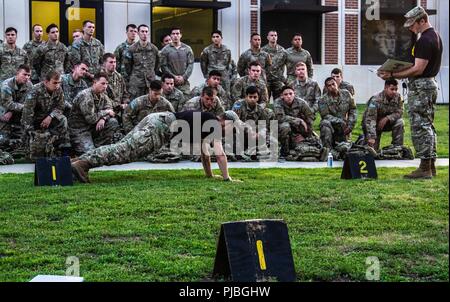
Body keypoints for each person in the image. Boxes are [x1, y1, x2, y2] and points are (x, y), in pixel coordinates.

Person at [71, 111, 239, 183]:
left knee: (121, 147)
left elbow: (205, 154)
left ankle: (78, 161)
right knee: (125, 152)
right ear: (226, 120)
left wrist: (210, 175)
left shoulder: (208, 122)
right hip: (161, 127)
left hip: (158, 118)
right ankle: (83, 164)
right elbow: (220, 155)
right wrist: (227, 178)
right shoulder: (215, 124)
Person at [378, 6, 443, 179]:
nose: (410, 28)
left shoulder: (425, 40)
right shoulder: (434, 36)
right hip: (428, 85)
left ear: (422, 20)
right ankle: (430, 166)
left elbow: (418, 69)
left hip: (422, 87)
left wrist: (393, 74)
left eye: (413, 24)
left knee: (420, 126)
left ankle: (425, 168)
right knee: (427, 125)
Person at [21, 71, 71, 159]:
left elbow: (61, 106)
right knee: (35, 147)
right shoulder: (35, 90)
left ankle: (63, 150)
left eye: (59, 83)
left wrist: (50, 116)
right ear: (46, 82)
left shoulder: (58, 90)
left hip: (48, 118)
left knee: (63, 119)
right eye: (54, 83)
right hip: (35, 120)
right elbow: (27, 113)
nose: (57, 85)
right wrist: (30, 131)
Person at [68, 72, 119, 155]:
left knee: (113, 122)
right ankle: (84, 149)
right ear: (94, 82)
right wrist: (105, 112)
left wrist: (103, 118)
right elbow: (91, 119)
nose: (105, 86)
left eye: (106, 84)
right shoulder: (86, 96)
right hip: (79, 130)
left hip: (92, 128)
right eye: (102, 83)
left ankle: (98, 146)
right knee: (90, 155)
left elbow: (111, 110)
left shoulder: (102, 94)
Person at [362, 78, 404, 151]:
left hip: (387, 123)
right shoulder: (375, 99)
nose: (394, 92)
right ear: (385, 88)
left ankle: (397, 148)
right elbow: (370, 119)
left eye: (396, 89)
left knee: (400, 122)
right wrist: (371, 136)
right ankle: (362, 141)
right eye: (392, 89)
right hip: (373, 124)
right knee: (372, 151)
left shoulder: (398, 97)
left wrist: (387, 118)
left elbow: (400, 112)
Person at [273, 86, 314, 156]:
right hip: (281, 130)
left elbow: (310, 117)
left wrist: (307, 134)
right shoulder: (278, 102)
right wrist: (298, 120)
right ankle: (284, 150)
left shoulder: (301, 103)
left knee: (311, 142)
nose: (288, 96)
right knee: (285, 126)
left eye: (290, 94)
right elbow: (280, 117)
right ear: (282, 96)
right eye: (285, 94)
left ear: (294, 94)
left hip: (297, 129)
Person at [0, 65, 33, 151]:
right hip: (4, 113)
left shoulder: (29, 85)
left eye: (29, 75)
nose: (27, 77)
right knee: (3, 142)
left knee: (20, 142)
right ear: (17, 73)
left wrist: (13, 111)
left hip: (17, 114)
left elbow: (30, 102)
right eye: (24, 74)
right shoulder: (6, 85)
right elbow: (8, 104)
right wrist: (25, 107)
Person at [318, 77, 356, 150]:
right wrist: (340, 121)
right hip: (331, 127)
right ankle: (327, 150)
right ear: (326, 88)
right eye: (329, 86)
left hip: (344, 128)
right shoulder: (322, 100)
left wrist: (350, 125)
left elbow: (353, 110)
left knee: (344, 150)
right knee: (324, 123)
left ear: (337, 84)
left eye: (333, 84)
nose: (332, 87)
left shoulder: (346, 94)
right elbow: (325, 116)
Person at [123, 24, 159, 100]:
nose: (144, 34)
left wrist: (151, 73)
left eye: (146, 32)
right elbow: (127, 66)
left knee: (150, 103)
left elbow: (157, 65)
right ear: (138, 33)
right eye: (142, 31)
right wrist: (135, 75)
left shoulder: (154, 49)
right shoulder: (132, 49)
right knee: (136, 104)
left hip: (150, 83)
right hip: (136, 84)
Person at [159, 27, 195, 98]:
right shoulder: (165, 50)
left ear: (181, 35)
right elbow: (163, 66)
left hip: (184, 83)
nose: (175, 36)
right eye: (173, 34)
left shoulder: (187, 49)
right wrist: (173, 77)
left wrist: (184, 77)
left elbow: (190, 64)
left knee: (185, 102)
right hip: (170, 83)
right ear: (171, 35)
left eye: (177, 33)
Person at [69, 20, 105, 84]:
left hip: (96, 79)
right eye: (89, 27)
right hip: (83, 79)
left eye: (93, 27)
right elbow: (77, 64)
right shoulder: (77, 44)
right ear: (83, 28)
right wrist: (89, 75)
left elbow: (102, 60)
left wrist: (100, 74)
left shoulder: (97, 43)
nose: (91, 29)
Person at [102, 53, 130, 128]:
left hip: (120, 110)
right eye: (111, 62)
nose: (113, 64)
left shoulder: (119, 76)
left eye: (115, 62)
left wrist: (125, 103)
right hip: (107, 110)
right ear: (104, 63)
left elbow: (125, 93)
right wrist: (119, 106)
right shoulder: (101, 77)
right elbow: (104, 98)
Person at [262, 30, 287, 99]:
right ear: (268, 37)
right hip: (266, 80)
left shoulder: (282, 51)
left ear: (277, 37)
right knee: (264, 100)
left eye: (275, 35)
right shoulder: (263, 50)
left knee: (279, 101)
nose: (273, 37)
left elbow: (287, 63)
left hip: (278, 80)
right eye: (271, 35)